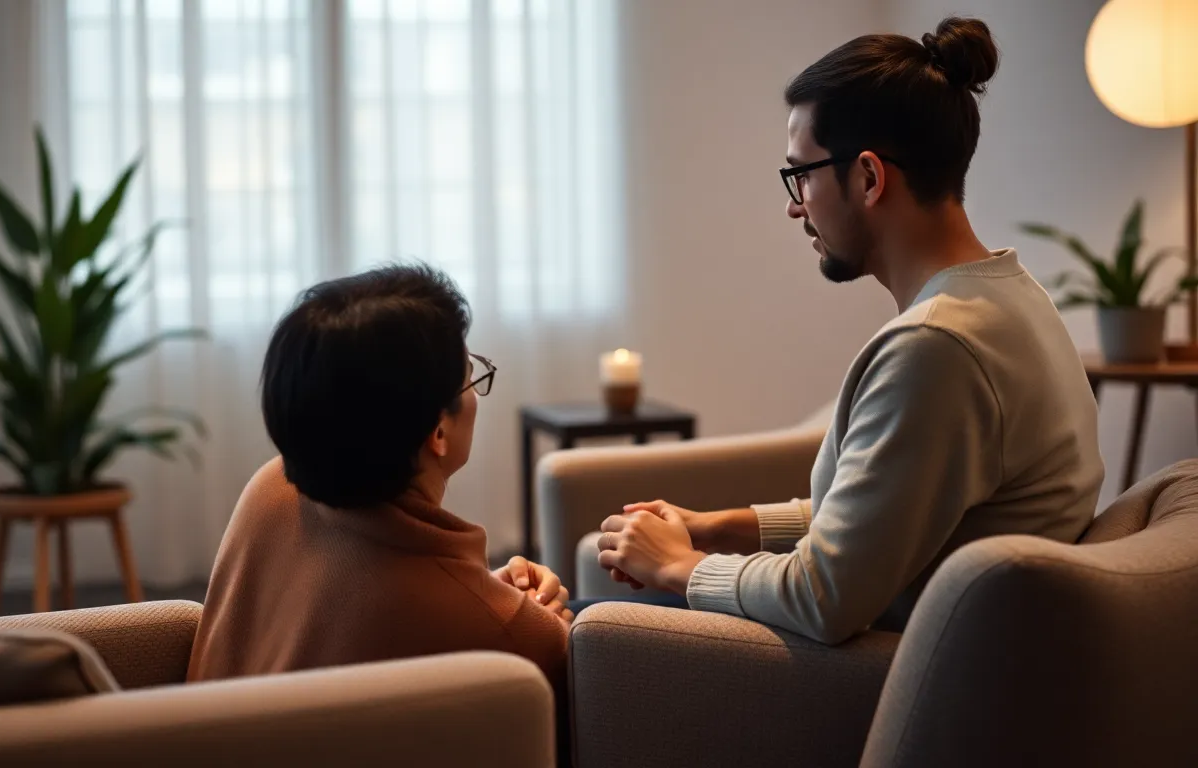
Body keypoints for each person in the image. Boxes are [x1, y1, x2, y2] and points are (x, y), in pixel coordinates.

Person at [595, 17, 1105, 644]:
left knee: (590, 617)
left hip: (881, 677)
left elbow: (825, 596)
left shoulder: (937, 348)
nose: (795, 204)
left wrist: (677, 564)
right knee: (601, 571)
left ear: (867, 178)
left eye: (801, 175)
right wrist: (713, 527)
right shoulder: (1014, 299)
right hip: (948, 650)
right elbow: (885, 515)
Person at [188, 264, 571, 688]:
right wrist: (498, 611)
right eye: (471, 377)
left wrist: (480, 594)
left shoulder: (270, 488)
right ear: (439, 432)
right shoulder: (511, 635)